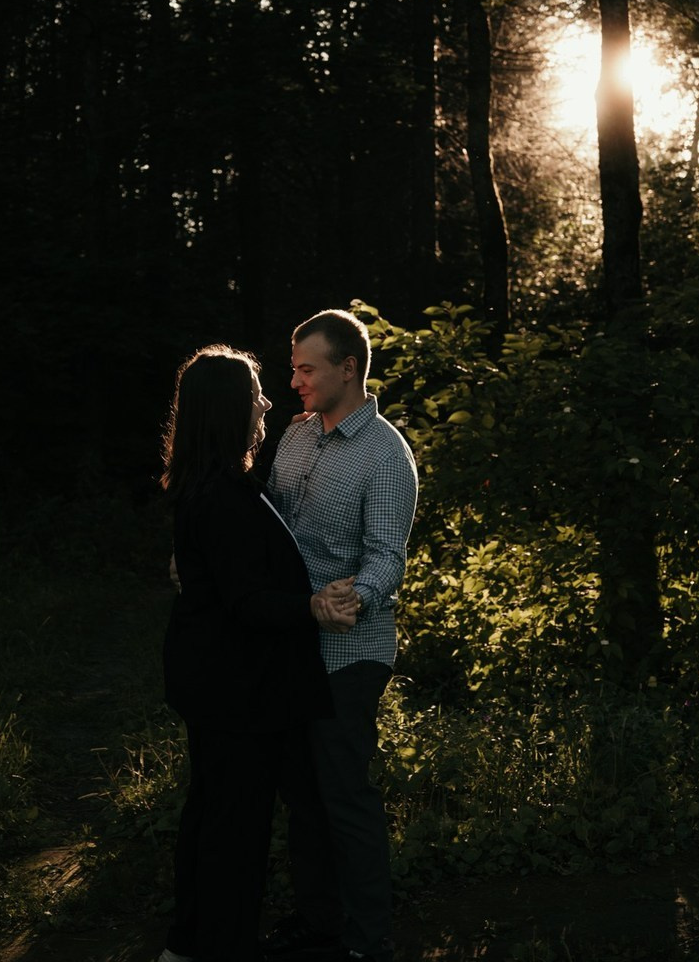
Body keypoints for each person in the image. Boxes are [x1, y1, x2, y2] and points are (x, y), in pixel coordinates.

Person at [159, 344, 360, 962]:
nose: (268, 402)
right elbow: (246, 600)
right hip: (235, 689)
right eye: (254, 396)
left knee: (213, 814)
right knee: (234, 829)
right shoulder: (221, 496)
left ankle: (190, 943)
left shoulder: (217, 484)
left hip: (220, 683)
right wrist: (312, 606)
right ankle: (219, 945)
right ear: (227, 410)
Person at [264, 310, 419, 962]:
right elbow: (272, 527)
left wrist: (346, 601)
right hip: (292, 644)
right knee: (302, 795)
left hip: (350, 652)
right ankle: (319, 920)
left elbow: (387, 558)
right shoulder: (297, 436)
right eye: (294, 368)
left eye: (307, 369)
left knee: (344, 795)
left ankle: (368, 938)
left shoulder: (385, 453)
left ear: (347, 368)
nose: (294, 381)